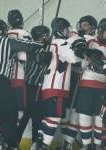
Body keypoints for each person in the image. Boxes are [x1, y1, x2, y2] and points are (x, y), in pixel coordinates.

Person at [0, 19, 43, 150]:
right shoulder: (7, 41)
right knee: (10, 115)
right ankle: (10, 145)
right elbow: (28, 45)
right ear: (4, 30)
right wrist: (42, 44)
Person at [36, 17, 81, 150]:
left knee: (48, 117)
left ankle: (39, 143)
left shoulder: (53, 43)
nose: (68, 32)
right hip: (57, 87)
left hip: (49, 86)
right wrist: (85, 52)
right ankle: (44, 146)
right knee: (54, 118)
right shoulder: (61, 42)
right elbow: (73, 58)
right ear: (61, 30)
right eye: (66, 29)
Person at [74, 18, 106, 150]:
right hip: (86, 85)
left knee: (100, 119)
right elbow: (76, 55)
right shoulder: (89, 41)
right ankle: (86, 145)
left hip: (103, 88)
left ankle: (98, 146)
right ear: (100, 31)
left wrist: (104, 66)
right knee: (84, 116)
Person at [61, 15, 98, 150]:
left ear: (93, 27)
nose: (83, 26)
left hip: (82, 81)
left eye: (86, 24)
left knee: (76, 114)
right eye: (82, 24)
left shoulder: (90, 40)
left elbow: (76, 59)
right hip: (72, 79)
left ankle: (68, 143)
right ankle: (68, 142)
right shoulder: (77, 38)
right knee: (68, 114)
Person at [17, 25, 52, 150]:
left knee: (25, 117)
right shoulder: (46, 47)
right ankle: (34, 144)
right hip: (36, 88)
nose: (49, 37)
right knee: (37, 118)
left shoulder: (29, 46)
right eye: (47, 35)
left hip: (26, 86)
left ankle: (14, 143)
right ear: (42, 36)